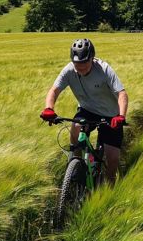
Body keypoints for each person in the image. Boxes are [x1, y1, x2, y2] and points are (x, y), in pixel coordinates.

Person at [40, 38, 128, 185]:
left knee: (112, 159)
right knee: (75, 128)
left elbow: (122, 94)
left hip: (110, 115)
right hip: (87, 110)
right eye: (77, 64)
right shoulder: (69, 70)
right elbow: (54, 90)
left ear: (92, 58)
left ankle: (110, 188)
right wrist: (49, 108)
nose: (80, 68)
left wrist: (121, 116)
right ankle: (76, 164)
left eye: (84, 64)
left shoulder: (104, 69)